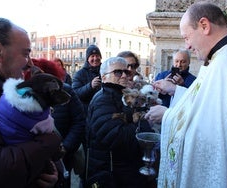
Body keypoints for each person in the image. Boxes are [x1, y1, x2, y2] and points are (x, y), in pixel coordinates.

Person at [145, 2, 227, 187]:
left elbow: (213, 131)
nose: (187, 46)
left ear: (204, 26)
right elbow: (207, 103)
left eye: (187, 37)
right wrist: (175, 90)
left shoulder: (226, 63)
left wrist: (167, 115)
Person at [0, 17, 60, 187]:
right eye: (25, 53)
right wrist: (50, 142)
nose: (30, 62)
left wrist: (45, 170)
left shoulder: (10, 91)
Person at [85, 57, 156, 188]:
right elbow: (117, 137)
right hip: (112, 176)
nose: (124, 75)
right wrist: (143, 122)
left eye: (127, 72)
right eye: (117, 72)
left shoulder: (122, 95)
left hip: (125, 172)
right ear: (104, 77)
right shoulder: (103, 100)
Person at [31, 58, 87, 188]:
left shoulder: (66, 91)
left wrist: (65, 147)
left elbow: (79, 121)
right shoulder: (25, 98)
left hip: (64, 155)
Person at [72, 44, 102, 113]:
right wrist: (90, 86)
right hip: (87, 112)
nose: (95, 58)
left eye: (97, 56)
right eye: (92, 56)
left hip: (103, 110)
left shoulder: (106, 71)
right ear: (88, 59)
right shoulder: (79, 74)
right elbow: (75, 94)